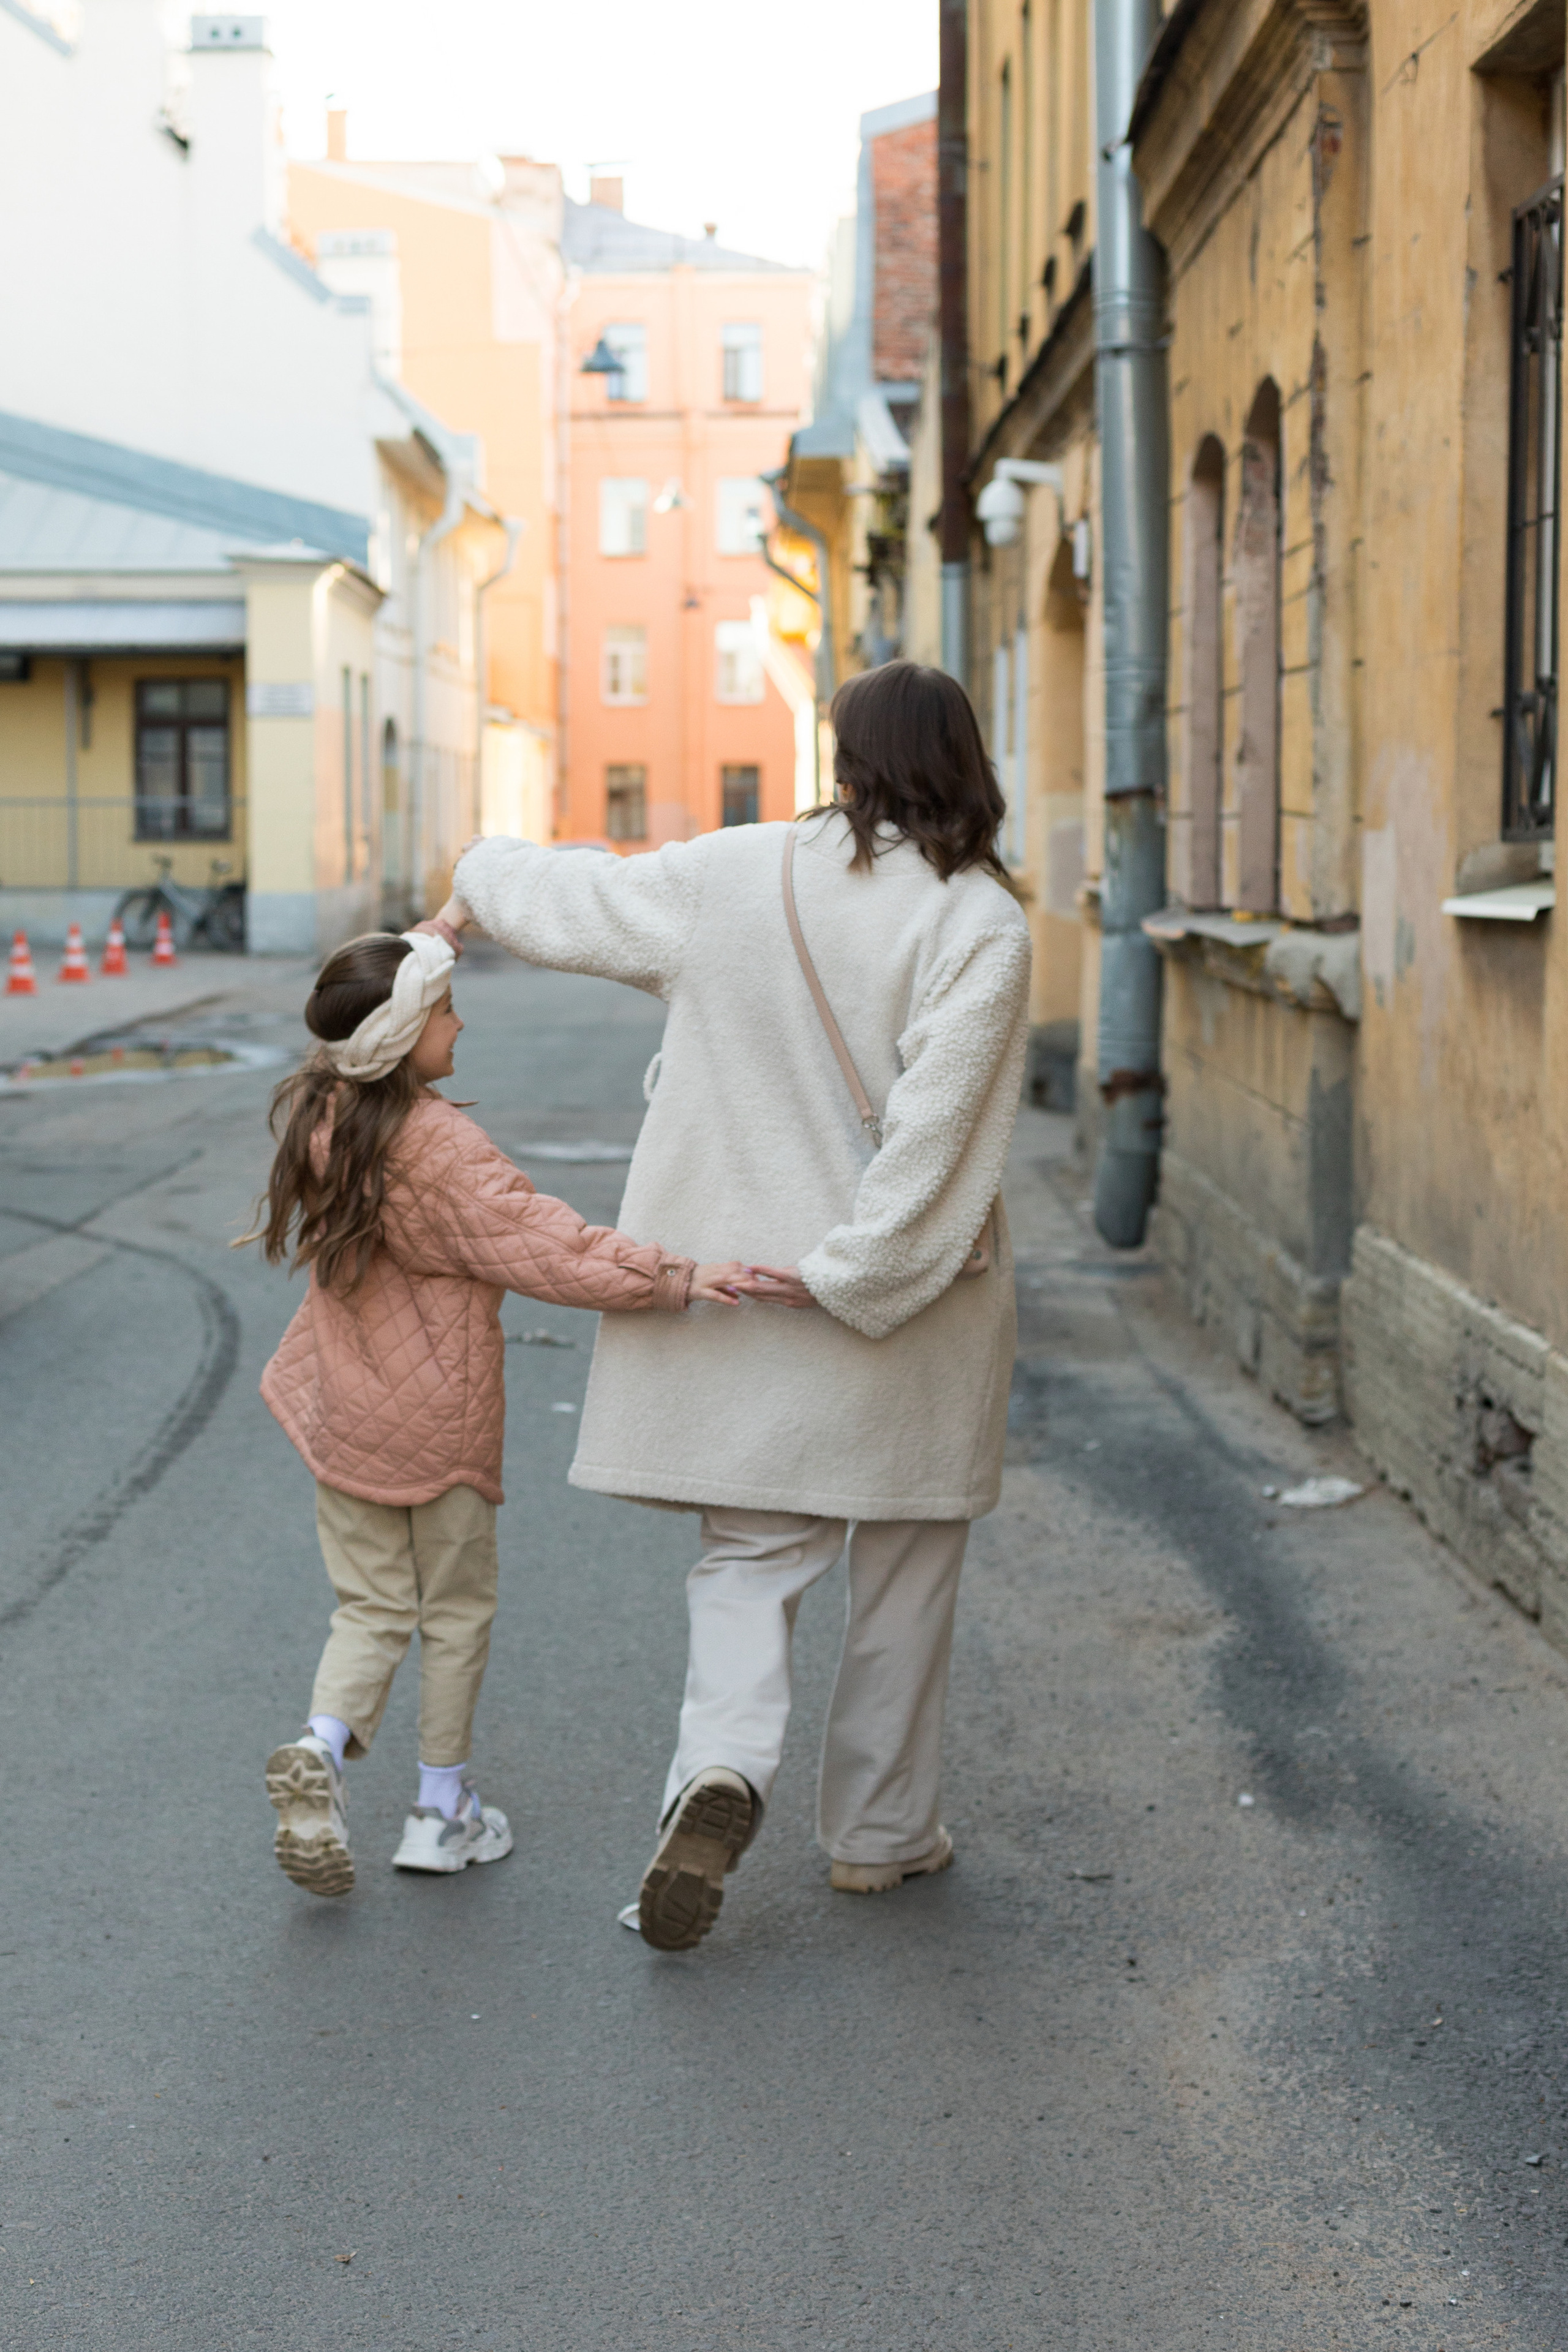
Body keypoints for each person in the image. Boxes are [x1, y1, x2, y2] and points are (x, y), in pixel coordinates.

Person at [431, 661, 1032, 1952]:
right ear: (966, 759)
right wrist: (855, 1271)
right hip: (914, 1301)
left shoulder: (735, 871)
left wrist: (480, 865)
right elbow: (941, 1127)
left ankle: (720, 1772)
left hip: (740, 1293)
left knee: (750, 1560)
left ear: (846, 755)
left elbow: (574, 899)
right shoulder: (981, 920)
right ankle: (879, 1839)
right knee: (908, 1566)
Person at [249, 925, 750, 1898]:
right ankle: (442, 1813)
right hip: (441, 1428)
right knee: (456, 1613)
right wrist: (680, 1277)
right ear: (402, 1037)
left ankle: (320, 1744)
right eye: (443, 1009)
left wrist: (439, 929)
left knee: (371, 1604)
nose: (461, 1020)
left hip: (346, 1412)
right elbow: (547, 1245)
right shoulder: (438, 1145)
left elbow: (366, 1002)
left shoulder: (326, 1107)